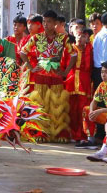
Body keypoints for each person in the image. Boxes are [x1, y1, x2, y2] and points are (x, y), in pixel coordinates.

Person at [19, 10, 76, 142]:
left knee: (57, 105)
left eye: (49, 21)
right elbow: (23, 52)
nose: (45, 24)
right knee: (40, 104)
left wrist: (66, 71)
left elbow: (73, 55)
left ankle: (58, 134)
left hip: (56, 76)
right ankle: (40, 133)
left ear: (55, 23)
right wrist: (31, 67)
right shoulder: (36, 38)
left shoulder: (63, 38)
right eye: (44, 21)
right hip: (40, 75)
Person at [65, 29, 93, 144]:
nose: (80, 38)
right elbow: (64, 64)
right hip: (71, 80)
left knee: (83, 108)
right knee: (72, 108)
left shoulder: (89, 49)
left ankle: (83, 134)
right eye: (78, 36)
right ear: (74, 36)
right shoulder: (70, 48)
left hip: (85, 80)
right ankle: (72, 133)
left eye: (83, 36)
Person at [92, 12, 107, 93]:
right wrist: (106, 72)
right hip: (104, 70)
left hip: (97, 69)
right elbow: (106, 57)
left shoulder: (99, 34)